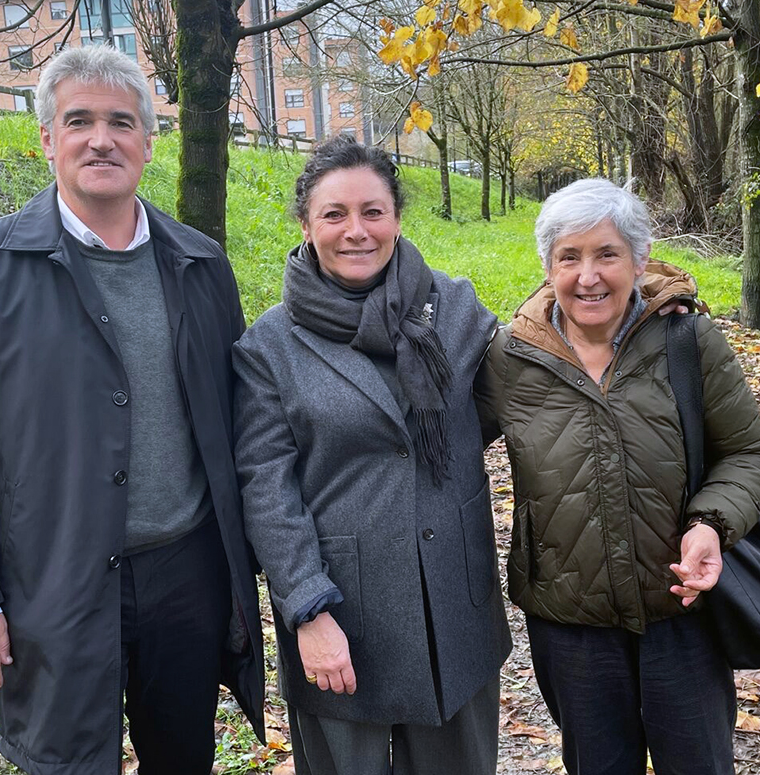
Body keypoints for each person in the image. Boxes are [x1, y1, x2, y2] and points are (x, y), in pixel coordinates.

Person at [0, 45, 263, 775]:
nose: (102, 139)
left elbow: (239, 421)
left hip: (186, 574)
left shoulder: (201, 264)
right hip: (54, 578)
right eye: (79, 121)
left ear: (148, 142)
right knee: (67, 762)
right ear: (47, 139)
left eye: (121, 122)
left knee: (184, 758)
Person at [476, 178, 760, 775]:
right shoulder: (509, 359)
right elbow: (439, 447)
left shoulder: (687, 341)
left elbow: (747, 450)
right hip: (570, 624)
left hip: (682, 613)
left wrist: (711, 524)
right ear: (548, 266)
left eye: (607, 254)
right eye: (569, 256)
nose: (588, 276)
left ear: (639, 260)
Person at [232, 136, 512, 775]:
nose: (356, 231)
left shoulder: (456, 310)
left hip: (453, 603)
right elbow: (266, 489)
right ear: (306, 225)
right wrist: (308, 610)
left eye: (373, 211)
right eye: (334, 214)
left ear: (397, 218)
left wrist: (642, 303)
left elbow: (525, 381)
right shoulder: (270, 347)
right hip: (343, 615)